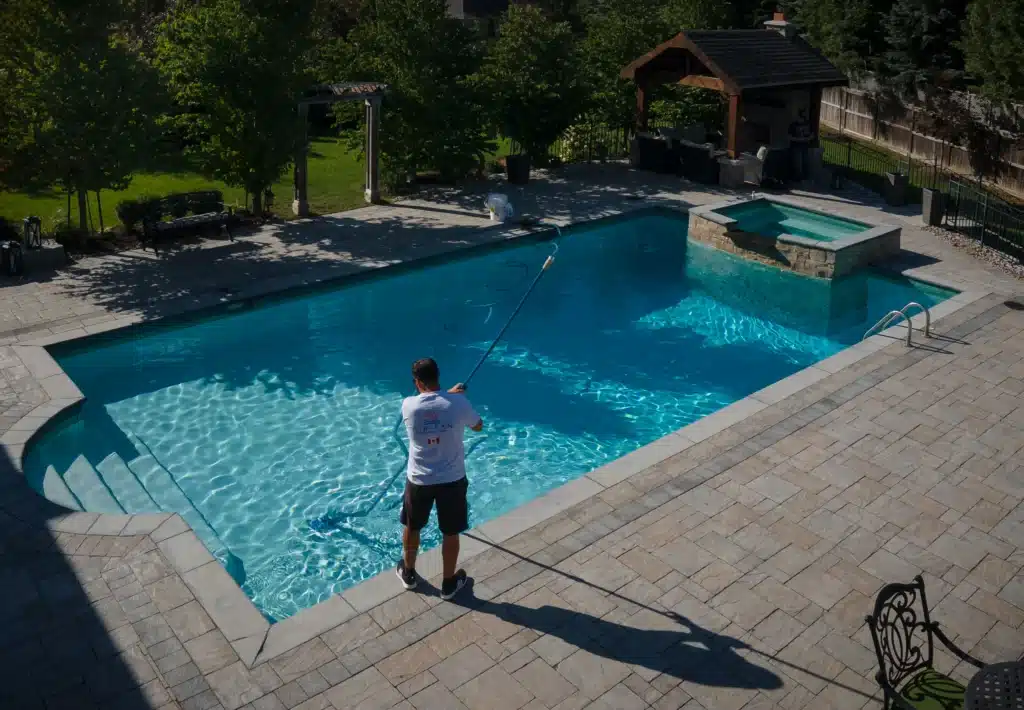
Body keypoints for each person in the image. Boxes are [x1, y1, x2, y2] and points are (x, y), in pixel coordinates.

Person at [396, 357, 483, 600]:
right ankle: (448, 583)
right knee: (450, 532)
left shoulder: (408, 406)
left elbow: (431, 404)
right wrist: (455, 397)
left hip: (419, 480)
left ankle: (409, 574)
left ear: (416, 382)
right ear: (438, 375)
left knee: (413, 526)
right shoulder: (458, 403)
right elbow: (478, 426)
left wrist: (450, 397)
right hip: (452, 479)